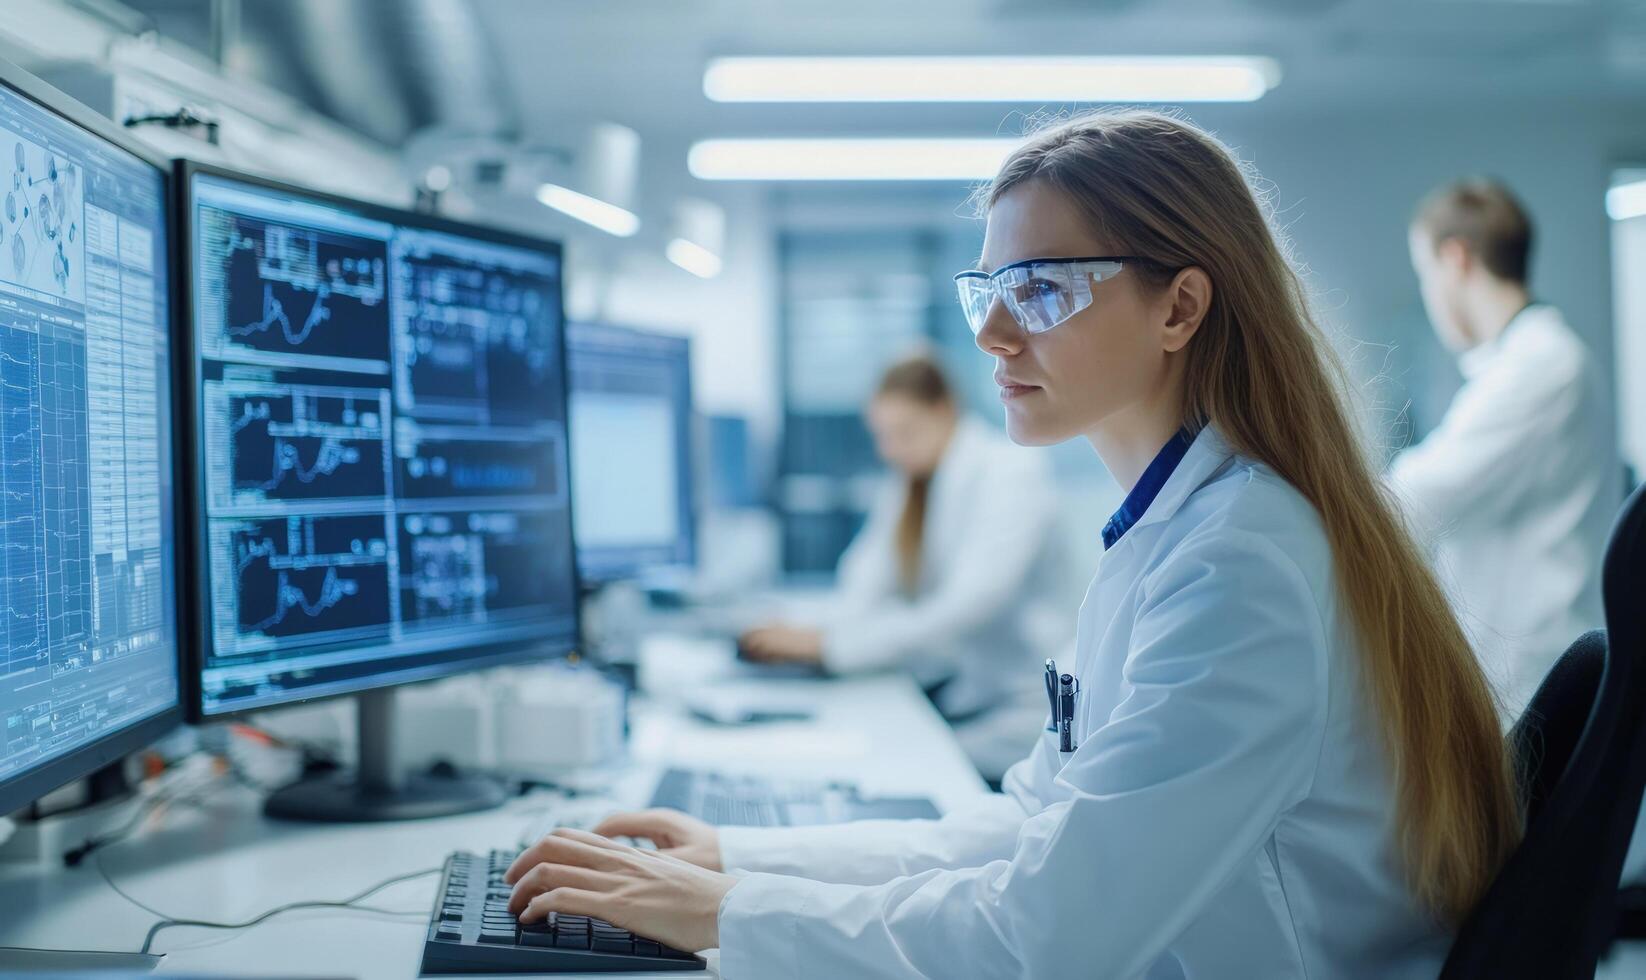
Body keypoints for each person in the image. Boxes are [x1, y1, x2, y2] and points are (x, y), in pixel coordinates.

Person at [501, 110, 1522, 978]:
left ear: (1178, 305)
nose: (989, 334)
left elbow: (1044, 934)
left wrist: (722, 913)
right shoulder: (1176, 529)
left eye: (1036, 289)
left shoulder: (1240, 560)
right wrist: (737, 857)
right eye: (985, 290)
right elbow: (1025, 830)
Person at [739, 353, 1070, 780]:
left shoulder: (1010, 472)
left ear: (944, 410)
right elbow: (863, 587)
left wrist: (828, 647)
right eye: (883, 436)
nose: (890, 449)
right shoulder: (911, 482)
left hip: (1015, 707)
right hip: (957, 693)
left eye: (904, 433)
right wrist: (800, 629)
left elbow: (965, 609)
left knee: (895, 769)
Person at [1391, 178, 1620, 723]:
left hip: (1530, 691)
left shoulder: (1543, 366)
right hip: (1515, 683)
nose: (1430, 297)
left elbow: (1413, 501)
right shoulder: (1519, 363)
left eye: (1425, 275)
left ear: (1456, 259)